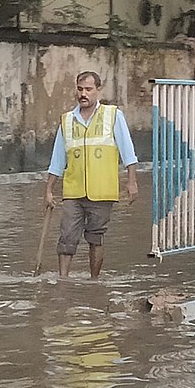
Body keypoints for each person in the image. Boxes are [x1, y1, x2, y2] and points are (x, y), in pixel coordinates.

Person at [45, 71, 138, 279]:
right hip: (73, 190)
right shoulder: (67, 121)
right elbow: (58, 159)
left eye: (88, 89)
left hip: (102, 191)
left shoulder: (113, 115)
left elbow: (128, 152)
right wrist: (49, 189)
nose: (83, 94)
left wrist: (132, 182)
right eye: (80, 89)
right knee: (67, 236)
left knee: (95, 238)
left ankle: (94, 281)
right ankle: (63, 281)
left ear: (98, 90)